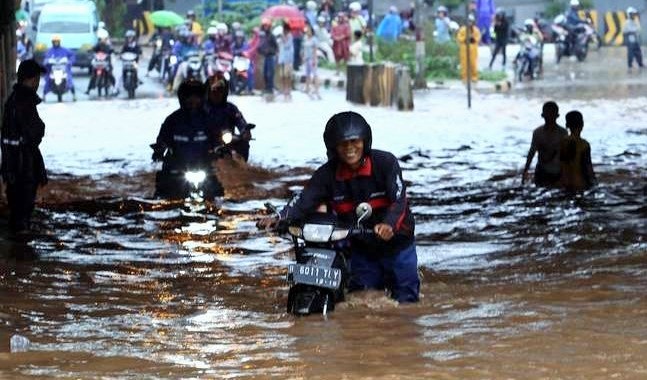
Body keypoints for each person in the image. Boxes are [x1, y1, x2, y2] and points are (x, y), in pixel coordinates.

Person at [257, 111, 419, 303]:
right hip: (362, 248)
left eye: (355, 141)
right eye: (343, 144)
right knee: (362, 299)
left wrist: (389, 225)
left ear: (365, 141)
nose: (350, 148)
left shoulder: (386, 163)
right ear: (334, 147)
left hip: (397, 245)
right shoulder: (326, 174)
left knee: (407, 300)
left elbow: (399, 200)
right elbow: (303, 199)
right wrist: (279, 217)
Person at [151, 79, 224, 200]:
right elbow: (162, 139)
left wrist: (220, 149)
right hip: (177, 167)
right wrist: (159, 150)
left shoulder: (209, 120)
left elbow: (218, 138)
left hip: (203, 165)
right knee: (163, 195)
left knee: (217, 195)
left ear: (202, 98)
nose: (193, 100)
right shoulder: (172, 120)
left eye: (196, 97)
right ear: (182, 98)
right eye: (189, 97)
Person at [1, 59, 48, 236]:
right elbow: (35, 130)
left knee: (18, 212)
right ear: (32, 79)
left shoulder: (14, 100)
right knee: (22, 214)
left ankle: (17, 253)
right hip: (23, 168)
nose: (38, 83)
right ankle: (21, 254)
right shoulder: (23, 101)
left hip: (15, 167)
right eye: (37, 79)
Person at [204, 72, 253, 161]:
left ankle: (241, 166)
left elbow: (240, 121)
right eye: (214, 90)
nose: (217, 93)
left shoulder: (231, 108)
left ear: (225, 92)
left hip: (226, 141)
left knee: (243, 144)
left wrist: (245, 131)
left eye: (220, 90)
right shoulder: (200, 109)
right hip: (203, 141)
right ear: (208, 92)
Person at [522, 101, 568, 187]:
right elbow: (531, 153)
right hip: (542, 172)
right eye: (548, 114)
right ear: (543, 115)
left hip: (557, 172)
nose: (549, 117)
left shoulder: (563, 133)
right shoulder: (538, 133)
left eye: (551, 114)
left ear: (556, 116)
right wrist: (525, 171)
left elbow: (566, 156)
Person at [560, 110, 596, 191]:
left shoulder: (562, 142)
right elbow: (588, 167)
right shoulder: (584, 144)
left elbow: (561, 164)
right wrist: (593, 182)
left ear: (567, 125)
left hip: (565, 182)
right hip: (579, 183)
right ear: (582, 124)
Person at [42, 35, 76, 101]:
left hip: (63, 69)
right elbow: (45, 59)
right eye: (55, 42)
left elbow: (72, 55)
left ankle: (74, 95)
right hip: (52, 69)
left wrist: (70, 61)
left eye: (57, 42)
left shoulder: (65, 50)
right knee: (48, 79)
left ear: (59, 42)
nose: (56, 43)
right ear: (52, 42)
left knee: (69, 79)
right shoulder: (49, 51)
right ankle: (44, 95)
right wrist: (46, 62)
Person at [85, 29, 116, 95]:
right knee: (93, 75)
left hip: (106, 63)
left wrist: (112, 51)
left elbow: (112, 50)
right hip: (98, 63)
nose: (102, 40)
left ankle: (114, 88)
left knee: (110, 74)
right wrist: (90, 50)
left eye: (104, 39)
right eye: (101, 39)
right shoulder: (97, 45)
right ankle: (88, 89)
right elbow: (93, 49)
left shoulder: (108, 45)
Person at [456, 14, 481, 83]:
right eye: (468, 21)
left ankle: (474, 77)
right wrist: (465, 37)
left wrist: (473, 38)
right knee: (464, 64)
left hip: (473, 48)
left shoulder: (476, 30)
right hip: (464, 47)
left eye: (471, 21)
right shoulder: (462, 29)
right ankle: (464, 77)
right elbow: (459, 38)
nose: (469, 23)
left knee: (473, 63)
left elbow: (478, 38)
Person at [258, 17, 278, 97]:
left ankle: (270, 88)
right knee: (265, 73)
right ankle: (267, 88)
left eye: (267, 26)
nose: (265, 27)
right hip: (265, 56)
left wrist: (270, 50)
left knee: (270, 73)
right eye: (264, 26)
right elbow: (259, 45)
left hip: (271, 56)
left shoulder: (272, 36)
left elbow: (276, 47)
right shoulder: (262, 35)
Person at [302, 24, 321, 99]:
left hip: (312, 58)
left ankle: (316, 90)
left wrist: (314, 59)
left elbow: (315, 50)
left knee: (315, 74)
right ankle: (307, 88)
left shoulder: (314, 39)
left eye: (309, 30)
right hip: (306, 58)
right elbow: (304, 49)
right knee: (307, 74)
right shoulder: (306, 39)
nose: (307, 32)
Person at [622, 7, 644, 72]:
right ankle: (630, 66)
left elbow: (638, 29)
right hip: (630, 39)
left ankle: (640, 64)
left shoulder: (635, 21)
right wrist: (633, 32)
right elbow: (626, 31)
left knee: (638, 52)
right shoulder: (627, 22)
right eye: (632, 14)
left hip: (635, 39)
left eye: (634, 14)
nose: (633, 15)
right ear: (629, 14)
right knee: (630, 53)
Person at [277, 21, 295, 101]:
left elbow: (287, 45)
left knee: (287, 76)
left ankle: (288, 90)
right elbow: (280, 46)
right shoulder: (281, 37)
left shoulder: (290, 36)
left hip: (288, 59)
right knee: (282, 76)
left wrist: (283, 38)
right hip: (282, 59)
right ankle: (284, 90)